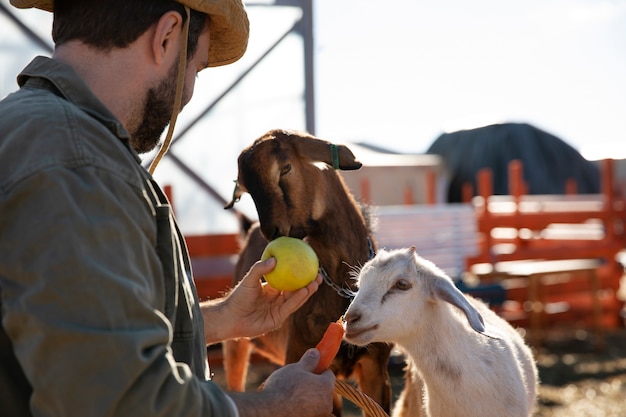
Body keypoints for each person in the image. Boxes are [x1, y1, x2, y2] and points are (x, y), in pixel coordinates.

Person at [0, 1, 336, 416]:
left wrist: (219, 318)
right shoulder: (77, 160)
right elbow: (122, 402)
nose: (189, 92)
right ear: (165, 36)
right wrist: (280, 404)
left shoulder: (39, 134)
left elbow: (67, 328)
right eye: (195, 67)